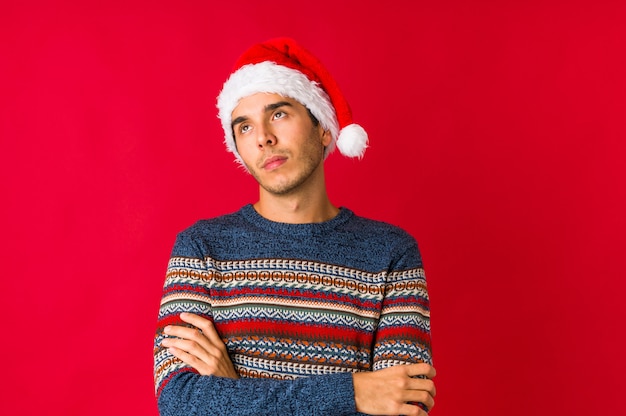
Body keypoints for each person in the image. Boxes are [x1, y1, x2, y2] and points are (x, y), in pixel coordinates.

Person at [153, 37, 436, 416]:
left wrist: (233, 388)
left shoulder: (391, 252)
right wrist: (352, 392)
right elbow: (180, 401)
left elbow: (405, 404)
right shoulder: (202, 249)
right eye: (244, 127)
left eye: (279, 114)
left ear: (323, 129)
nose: (263, 138)